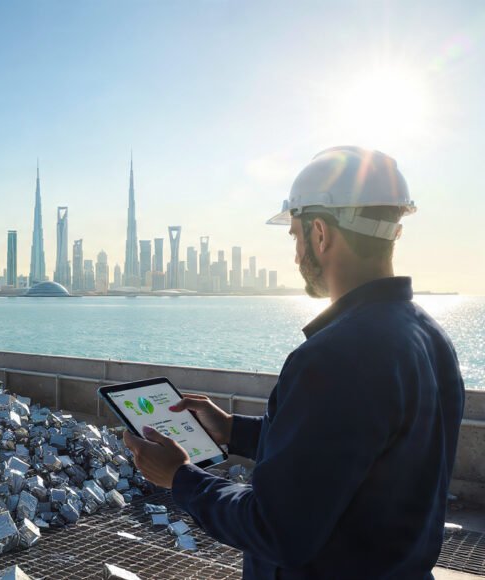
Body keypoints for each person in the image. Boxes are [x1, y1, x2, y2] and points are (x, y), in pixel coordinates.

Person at [124, 146, 465, 579]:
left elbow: (276, 527)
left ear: (320, 233)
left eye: (295, 236)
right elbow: (351, 449)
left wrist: (180, 477)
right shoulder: (432, 338)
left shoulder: (335, 357)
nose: (296, 253)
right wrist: (234, 430)